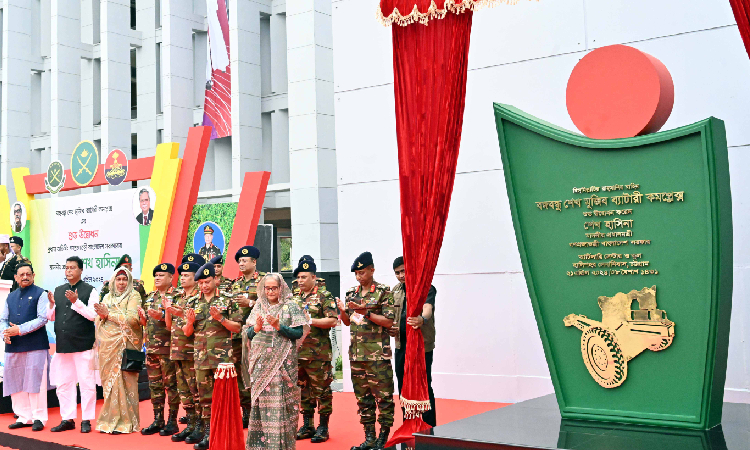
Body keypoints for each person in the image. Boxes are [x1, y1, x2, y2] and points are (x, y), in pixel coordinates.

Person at [337, 252, 396, 450]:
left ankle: (384, 437)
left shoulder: (383, 291)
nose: (359, 277)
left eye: (362, 272)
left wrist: (367, 312)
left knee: (384, 399)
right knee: (363, 400)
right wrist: (344, 312)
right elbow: (347, 323)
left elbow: (389, 321)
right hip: (356, 356)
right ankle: (369, 437)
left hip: (377, 356)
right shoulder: (351, 294)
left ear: (372, 270)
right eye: (356, 274)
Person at [243, 273, 307, 450]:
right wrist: (255, 328)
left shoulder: (290, 306)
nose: (270, 291)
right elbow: (249, 334)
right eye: (267, 288)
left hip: (282, 366)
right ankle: (260, 446)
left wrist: (280, 327)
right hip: (261, 365)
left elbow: (298, 333)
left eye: (274, 288)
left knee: (281, 404)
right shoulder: (259, 307)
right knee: (260, 404)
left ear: (281, 288)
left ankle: (280, 446)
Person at [183, 262, 241, 450]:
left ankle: (224, 433)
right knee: (204, 398)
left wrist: (221, 319)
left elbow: (238, 327)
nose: (204, 286)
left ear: (215, 280)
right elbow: (186, 332)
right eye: (200, 283)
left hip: (222, 359)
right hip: (201, 357)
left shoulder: (227, 299)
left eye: (207, 282)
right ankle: (209, 434)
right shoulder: (192, 302)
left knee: (223, 397)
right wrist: (190, 322)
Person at [47, 256, 100, 433]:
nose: (69, 270)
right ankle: (67, 418)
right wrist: (51, 304)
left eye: (72, 268)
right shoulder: (59, 289)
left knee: (86, 383)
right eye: (67, 267)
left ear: (81, 270)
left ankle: (86, 420)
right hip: (63, 345)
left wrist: (76, 302)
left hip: (83, 344)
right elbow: (51, 317)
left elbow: (93, 316)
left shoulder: (90, 290)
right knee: (63, 383)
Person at [292, 257, 338, 443]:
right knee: (303, 391)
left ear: (313, 277)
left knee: (322, 391)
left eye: (304, 277)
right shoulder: (295, 297)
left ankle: (323, 426)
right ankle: (307, 424)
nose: (300, 281)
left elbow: (333, 321)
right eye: (298, 278)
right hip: (298, 353)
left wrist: (310, 321)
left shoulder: (324, 296)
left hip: (318, 354)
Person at [94, 267, 144, 434]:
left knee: (125, 383)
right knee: (110, 385)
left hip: (125, 346)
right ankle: (109, 421)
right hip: (108, 347)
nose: (121, 283)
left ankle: (127, 423)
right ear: (113, 281)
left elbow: (133, 320)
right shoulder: (107, 297)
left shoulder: (133, 296)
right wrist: (102, 316)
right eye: (118, 279)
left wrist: (109, 315)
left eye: (124, 279)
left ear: (129, 281)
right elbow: (99, 319)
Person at [1, 263, 51, 431]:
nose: (24, 277)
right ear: (15, 277)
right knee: (16, 382)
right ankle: (23, 417)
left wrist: (19, 329)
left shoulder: (41, 293)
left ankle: (38, 418)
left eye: (28, 274)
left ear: (33, 275)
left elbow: (42, 318)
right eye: (21, 274)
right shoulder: (10, 296)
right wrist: (5, 333)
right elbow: (3, 320)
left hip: (35, 345)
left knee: (36, 383)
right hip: (14, 346)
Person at [389, 256, 437, 427]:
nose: (401, 275)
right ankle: (409, 426)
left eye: (403, 271)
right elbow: (391, 317)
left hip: (421, 346)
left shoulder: (425, 288)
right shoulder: (394, 290)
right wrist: (390, 328)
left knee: (424, 385)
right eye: (397, 273)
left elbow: (428, 309)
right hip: (401, 345)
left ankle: (429, 427)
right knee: (403, 386)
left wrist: (422, 320)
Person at [139, 263, 180, 436]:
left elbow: (179, 320)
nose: (157, 278)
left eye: (161, 275)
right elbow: (146, 323)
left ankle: (172, 421)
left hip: (169, 349)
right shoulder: (150, 297)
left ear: (171, 277)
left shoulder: (178, 296)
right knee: (155, 387)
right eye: (156, 275)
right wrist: (143, 319)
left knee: (171, 386)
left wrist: (163, 316)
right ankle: (158, 419)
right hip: (152, 350)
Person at [165, 259, 202, 443]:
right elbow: (169, 325)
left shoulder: (199, 298)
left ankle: (201, 427)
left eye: (187, 275)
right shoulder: (178, 297)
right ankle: (191, 424)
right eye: (182, 275)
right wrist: (166, 311)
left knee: (196, 390)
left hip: (192, 351)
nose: (183, 279)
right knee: (183, 391)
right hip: (177, 349)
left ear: (196, 278)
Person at [228, 245, 263, 427]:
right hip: (237, 337)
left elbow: (274, 303)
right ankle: (247, 412)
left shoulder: (265, 281)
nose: (241, 263)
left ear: (254, 262)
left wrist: (250, 302)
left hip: (258, 337)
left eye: (244, 260)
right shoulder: (235, 284)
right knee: (241, 376)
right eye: (239, 261)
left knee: (258, 374)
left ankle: (261, 413)